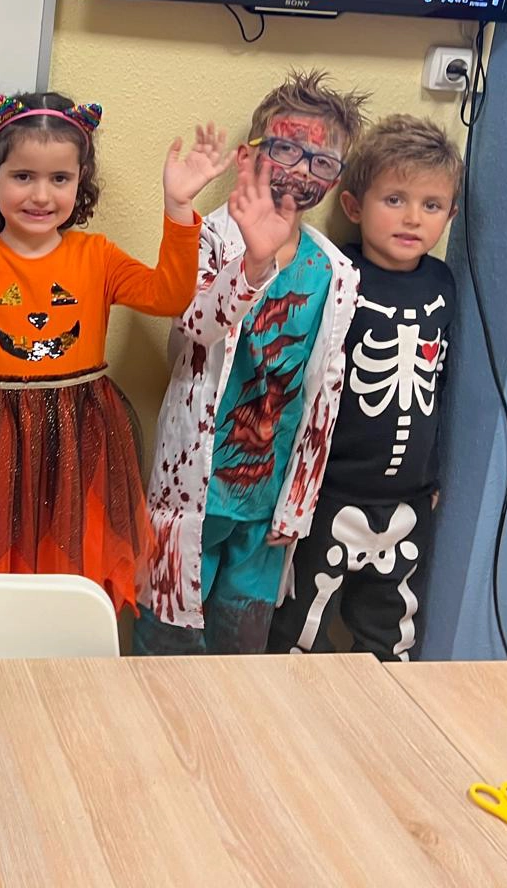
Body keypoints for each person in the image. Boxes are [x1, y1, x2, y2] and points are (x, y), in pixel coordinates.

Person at [0, 93, 216, 612]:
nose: (41, 195)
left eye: (59, 178)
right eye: (23, 176)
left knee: (70, 567)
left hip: (78, 431)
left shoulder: (97, 255)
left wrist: (178, 211)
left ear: (79, 179)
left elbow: (168, 296)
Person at [138, 69, 368, 655]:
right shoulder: (209, 239)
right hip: (195, 493)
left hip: (268, 506)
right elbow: (195, 326)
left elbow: (323, 396)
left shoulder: (335, 271)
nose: (301, 171)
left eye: (321, 162)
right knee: (166, 645)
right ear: (249, 156)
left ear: (336, 178)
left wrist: (299, 502)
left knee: (241, 652)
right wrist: (254, 265)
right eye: (286, 149)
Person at [269, 115, 461, 660]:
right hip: (333, 491)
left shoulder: (442, 284)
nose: (413, 218)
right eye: (394, 200)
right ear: (354, 206)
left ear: (450, 215)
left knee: (394, 629)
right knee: (300, 622)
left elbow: (440, 385)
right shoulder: (337, 275)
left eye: (431, 205)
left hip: (409, 498)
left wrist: (435, 473)